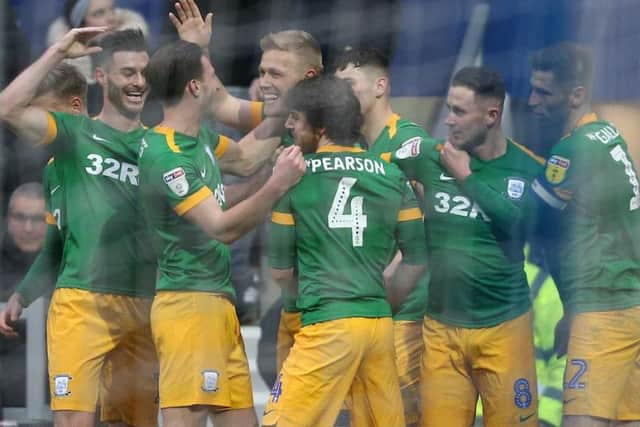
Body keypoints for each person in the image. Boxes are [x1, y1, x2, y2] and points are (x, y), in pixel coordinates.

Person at [0, 27, 162, 427]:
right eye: (128, 72)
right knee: (73, 419)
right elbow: (7, 108)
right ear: (102, 77)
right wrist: (57, 51)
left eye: (144, 72)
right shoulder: (71, 141)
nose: (138, 81)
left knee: (137, 421)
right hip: (81, 303)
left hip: (146, 304)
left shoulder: (161, 148)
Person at [139, 39, 305, 427]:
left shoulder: (200, 140)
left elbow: (246, 160)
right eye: (212, 76)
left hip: (218, 306)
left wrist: (293, 108)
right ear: (195, 87)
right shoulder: (165, 152)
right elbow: (221, 227)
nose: (218, 84)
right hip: (187, 308)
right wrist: (277, 185)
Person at [264, 74, 427, 427]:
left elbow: (280, 273)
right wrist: (382, 300)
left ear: (320, 127)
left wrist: (314, 298)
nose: (290, 125)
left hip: (326, 326)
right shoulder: (392, 175)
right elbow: (416, 258)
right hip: (379, 326)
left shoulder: (293, 177)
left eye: (296, 118)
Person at [385, 66, 544, 427]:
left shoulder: (528, 169)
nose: (448, 120)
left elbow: (520, 224)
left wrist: (466, 178)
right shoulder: (429, 156)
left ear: (491, 115)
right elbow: (375, 164)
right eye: (448, 109)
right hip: (441, 329)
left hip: (504, 328)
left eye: (459, 111)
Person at [529, 42, 640, 427]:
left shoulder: (572, 150)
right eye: (532, 89)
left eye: (544, 92)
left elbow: (530, 219)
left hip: (602, 310)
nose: (532, 100)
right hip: (629, 303)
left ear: (576, 95)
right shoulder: (607, 135)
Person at [335, 47, 430, 426]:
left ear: (380, 85)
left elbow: (437, 214)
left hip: (404, 313)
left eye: (349, 85)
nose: (341, 95)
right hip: (360, 313)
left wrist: (398, 269)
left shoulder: (410, 142)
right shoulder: (349, 146)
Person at [0, 183, 46, 301]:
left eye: (38, 218)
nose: (28, 228)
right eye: (19, 217)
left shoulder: (68, 266)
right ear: (7, 220)